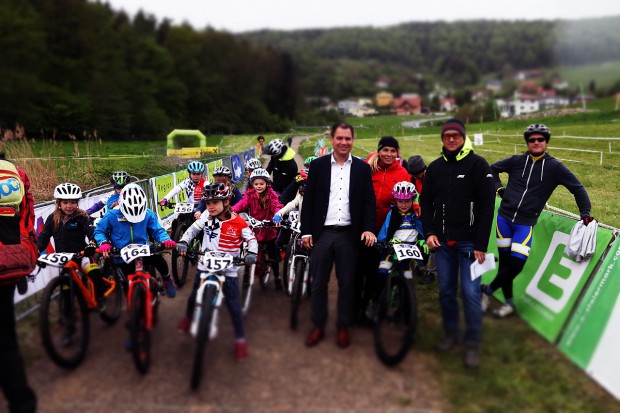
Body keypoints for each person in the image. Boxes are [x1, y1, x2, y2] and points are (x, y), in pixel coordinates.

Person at [481, 123, 593, 318]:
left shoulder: (555, 167)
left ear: (546, 142)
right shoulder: (517, 160)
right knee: (505, 266)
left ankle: (487, 291)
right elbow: (491, 169)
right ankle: (509, 303)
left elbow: (578, 188)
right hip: (504, 220)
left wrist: (585, 212)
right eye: (532, 139)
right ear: (527, 142)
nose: (536, 142)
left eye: (540, 139)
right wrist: (499, 189)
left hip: (524, 224)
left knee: (517, 266)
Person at [419, 118, 495, 368]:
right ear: (442, 139)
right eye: (447, 135)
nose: (451, 139)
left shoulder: (477, 164)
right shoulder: (435, 168)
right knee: (446, 291)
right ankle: (451, 334)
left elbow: (486, 207)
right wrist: (429, 231)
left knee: (471, 294)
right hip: (442, 244)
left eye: (456, 135)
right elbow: (426, 201)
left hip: (470, 244)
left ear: (463, 137)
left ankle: (472, 342)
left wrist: (481, 244)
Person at [301, 121, 376, 348]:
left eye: (348, 138)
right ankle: (318, 325)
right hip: (322, 234)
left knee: (347, 284)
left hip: (348, 236)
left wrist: (369, 227)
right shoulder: (319, 166)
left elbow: (368, 201)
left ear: (353, 140)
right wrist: (306, 231)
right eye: (340, 138)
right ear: (332, 139)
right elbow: (310, 201)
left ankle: (343, 326)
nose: (344, 142)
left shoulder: (362, 169)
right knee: (318, 283)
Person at [176, 183, 258, 360]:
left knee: (234, 307)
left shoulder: (238, 222)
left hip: (228, 270)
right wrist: (183, 241)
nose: (210, 206)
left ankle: (240, 339)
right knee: (192, 297)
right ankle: (189, 318)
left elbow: (251, 239)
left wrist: (252, 252)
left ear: (226, 201)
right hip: (206, 265)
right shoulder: (206, 217)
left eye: (215, 202)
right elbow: (192, 230)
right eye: (207, 203)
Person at [356, 136, 411, 322]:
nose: (389, 154)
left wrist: (416, 208)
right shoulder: (367, 167)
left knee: (374, 271)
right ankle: (355, 307)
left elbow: (409, 196)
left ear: (397, 153)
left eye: (393, 151)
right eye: (385, 150)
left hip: (386, 229)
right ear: (379, 151)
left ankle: (371, 307)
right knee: (358, 270)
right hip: (364, 226)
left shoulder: (403, 173)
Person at [94, 183, 177, 298]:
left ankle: (167, 279)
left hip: (143, 247)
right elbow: (99, 231)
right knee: (127, 287)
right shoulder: (111, 215)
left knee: (159, 259)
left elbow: (157, 230)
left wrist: (165, 239)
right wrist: (103, 243)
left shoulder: (148, 214)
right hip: (121, 253)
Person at [0, 156, 37, 413]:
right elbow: (28, 215)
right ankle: (21, 401)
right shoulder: (14, 172)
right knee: (5, 341)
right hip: (10, 263)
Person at [367, 182, 428, 317]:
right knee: (382, 272)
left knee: (408, 278)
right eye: (400, 201)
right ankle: (376, 302)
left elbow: (422, 231)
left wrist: (424, 241)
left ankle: (407, 307)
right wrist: (382, 242)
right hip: (391, 251)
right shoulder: (392, 214)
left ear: (413, 200)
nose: (403, 205)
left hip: (408, 253)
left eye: (407, 201)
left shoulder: (416, 215)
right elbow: (385, 231)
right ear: (396, 201)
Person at [38, 183, 107, 300]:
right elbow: (44, 237)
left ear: (77, 203)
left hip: (81, 255)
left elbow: (91, 233)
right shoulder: (52, 218)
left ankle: (102, 302)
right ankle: (68, 312)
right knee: (65, 288)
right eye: (65, 202)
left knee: (95, 275)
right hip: (64, 257)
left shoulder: (81, 217)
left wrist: (92, 244)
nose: (69, 206)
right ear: (58, 203)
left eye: (73, 202)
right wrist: (37, 250)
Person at [232, 168, 284, 289]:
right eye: (256, 184)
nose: (259, 186)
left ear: (267, 184)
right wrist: (231, 212)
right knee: (249, 253)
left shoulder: (272, 195)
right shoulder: (250, 195)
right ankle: (246, 276)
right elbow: (241, 204)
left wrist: (277, 215)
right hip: (255, 229)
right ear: (252, 184)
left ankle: (277, 277)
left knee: (273, 255)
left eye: (261, 184)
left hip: (269, 229)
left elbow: (276, 206)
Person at [407, 155, 434, 284]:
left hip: (436, 213)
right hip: (423, 213)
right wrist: (416, 205)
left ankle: (432, 271)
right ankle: (421, 264)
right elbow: (412, 196)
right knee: (422, 239)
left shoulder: (433, 176)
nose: (417, 177)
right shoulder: (412, 178)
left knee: (434, 243)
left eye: (419, 174)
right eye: (414, 175)